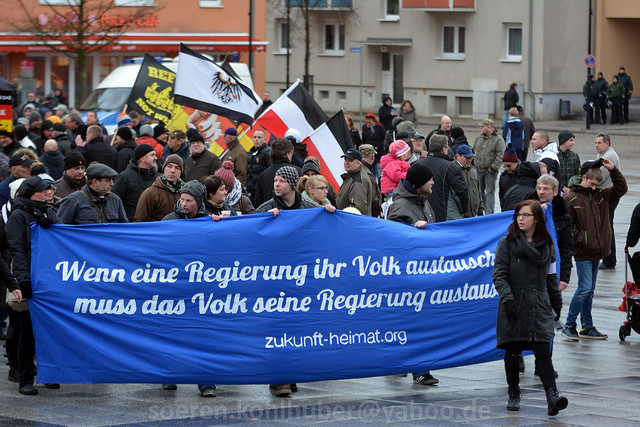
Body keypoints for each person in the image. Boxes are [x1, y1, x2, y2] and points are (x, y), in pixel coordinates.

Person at [493, 200, 567, 416]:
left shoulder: (547, 245)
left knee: (543, 352)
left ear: (537, 219)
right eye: (518, 215)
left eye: (526, 215)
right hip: (514, 304)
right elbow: (499, 275)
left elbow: (552, 278)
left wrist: (556, 306)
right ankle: (514, 392)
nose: (521, 218)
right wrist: (508, 299)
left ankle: (552, 396)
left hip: (540, 306)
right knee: (513, 353)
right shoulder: (507, 243)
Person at [561, 158, 627, 341]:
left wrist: (613, 170)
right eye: (591, 183)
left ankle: (587, 326)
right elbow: (565, 226)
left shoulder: (602, 196)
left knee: (589, 290)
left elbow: (622, 189)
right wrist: (581, 238)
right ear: (584, 177)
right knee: (584, 288)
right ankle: (569, 324)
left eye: (597, 185)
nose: (593, 188)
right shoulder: (571, 198)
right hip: (583, 251)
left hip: (597, 251)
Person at [386, 162, 439, 385]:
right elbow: (393, 241)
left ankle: (407, 364)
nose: (433, 183)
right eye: (430, 180)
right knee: (413, 323)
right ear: (418, 184)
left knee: (420, 323)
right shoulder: (401, 208)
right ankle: (417, 368)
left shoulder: (422, 202)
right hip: (407, 278)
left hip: (423, 273)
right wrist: (412, 232)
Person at [5, 176, 60, 395]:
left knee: (49, 331)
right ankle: (25, 378)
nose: (48, 192)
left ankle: (48, 374)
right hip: (31, 277)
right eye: (43, 190)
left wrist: (52, 224)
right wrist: (23, 281)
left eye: (49, 189)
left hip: (49, 279)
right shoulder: (18, 216)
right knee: (27, 331)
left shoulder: (48, 211)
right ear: (31, 193)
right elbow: (16, 250)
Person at [535, 174, 574, 292]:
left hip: (553, 273)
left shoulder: (563, 217)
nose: (541, 192)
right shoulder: (528, 212)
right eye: (539, 188)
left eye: (546, 189)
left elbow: (566, 248)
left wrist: (564, 278)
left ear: (555, 192)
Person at [57, 163, 128, 224]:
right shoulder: (73, 201)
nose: (112, 184)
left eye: (112, 180)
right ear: (95, 182)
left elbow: (123, 227)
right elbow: (61, 229)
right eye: (107, 181)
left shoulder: (115, 200)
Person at [419, 134, 468, 222]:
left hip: (421, 215)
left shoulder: (416, 165)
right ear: (444, 149)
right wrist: (464, 211)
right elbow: (461, 193)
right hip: (444, 216)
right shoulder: (451, 168)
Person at [112, 144, 160, 221]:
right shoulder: (125, 177)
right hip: (131, 226)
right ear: (143, 158)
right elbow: (114, 200)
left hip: (153, 226)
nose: (156, 158)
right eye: (152, 155)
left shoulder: (158, 178)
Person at [594, 133, 621, 270]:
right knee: (606, 226)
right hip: (607, 195)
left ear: (607, 143)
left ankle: (610, 260)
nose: (597, 145)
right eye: (596, 143)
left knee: (607, 227)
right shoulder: (603, 154)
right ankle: (608, 258)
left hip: (608, 196)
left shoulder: (608, 156)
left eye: (599, 143)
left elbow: (598, 177)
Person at [134, 154, 184, 222]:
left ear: (181, 172)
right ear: (164, 169)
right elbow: (140, 221)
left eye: (177, 168)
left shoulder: (185, 193)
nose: (172, 171)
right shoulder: (150, 193)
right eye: (169, 166)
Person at [473, 119, 505, 215]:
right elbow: (474, 150)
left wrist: (493, 167)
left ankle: (489, 213)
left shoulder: (498, 139)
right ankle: (481, 211)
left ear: (489, 127)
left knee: (489, 192)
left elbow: (500, 155)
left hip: (490, 171)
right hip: (478, 169)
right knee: (480, 192)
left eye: (482, 126)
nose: (481, 128)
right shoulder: (479, 138)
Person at [254, 138, 295, 208]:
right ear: (288, 155)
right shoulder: (296, 172)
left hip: (269, 214)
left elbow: (258, 202)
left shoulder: (263, 175)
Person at [336, 149, 374, 216]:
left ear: (358, 163)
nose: (346, 163)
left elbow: (357, 209)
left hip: (353, 224)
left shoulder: (358, 181)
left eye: (350, 160)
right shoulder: (352, 176)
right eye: (345, 160)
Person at [455, 145, 483, 217]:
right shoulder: (452, 170)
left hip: (473, 214)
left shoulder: (473, 170)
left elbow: (479, 192)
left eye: (471, 158)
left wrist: (480, 211)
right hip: (459, 215)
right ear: (458, 156)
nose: (470, 160)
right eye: (467, 157)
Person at [246, 129, 271, 205]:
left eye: (259, 137)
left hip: (262, 192)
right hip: (251, 191)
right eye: (255, 137)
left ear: (264, 140)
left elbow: (269, 171)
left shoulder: (267, 152)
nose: (256, 139)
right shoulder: (251, 152)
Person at [358, 144, 382, 218]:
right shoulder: (368, 174)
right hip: (368, 216)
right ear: (372, 156)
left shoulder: (356, 170)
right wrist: (379, 210)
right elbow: (373, 199)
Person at [360, 113, 386, 180]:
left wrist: (378, 146)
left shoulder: (380, 128)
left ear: (373, 121)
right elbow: (364, 139)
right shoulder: (365, 128)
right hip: (368, 152)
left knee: (377, 170)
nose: (368, 123)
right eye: (366, 122)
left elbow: (384, 139)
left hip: (378, 152)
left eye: (369, 122)